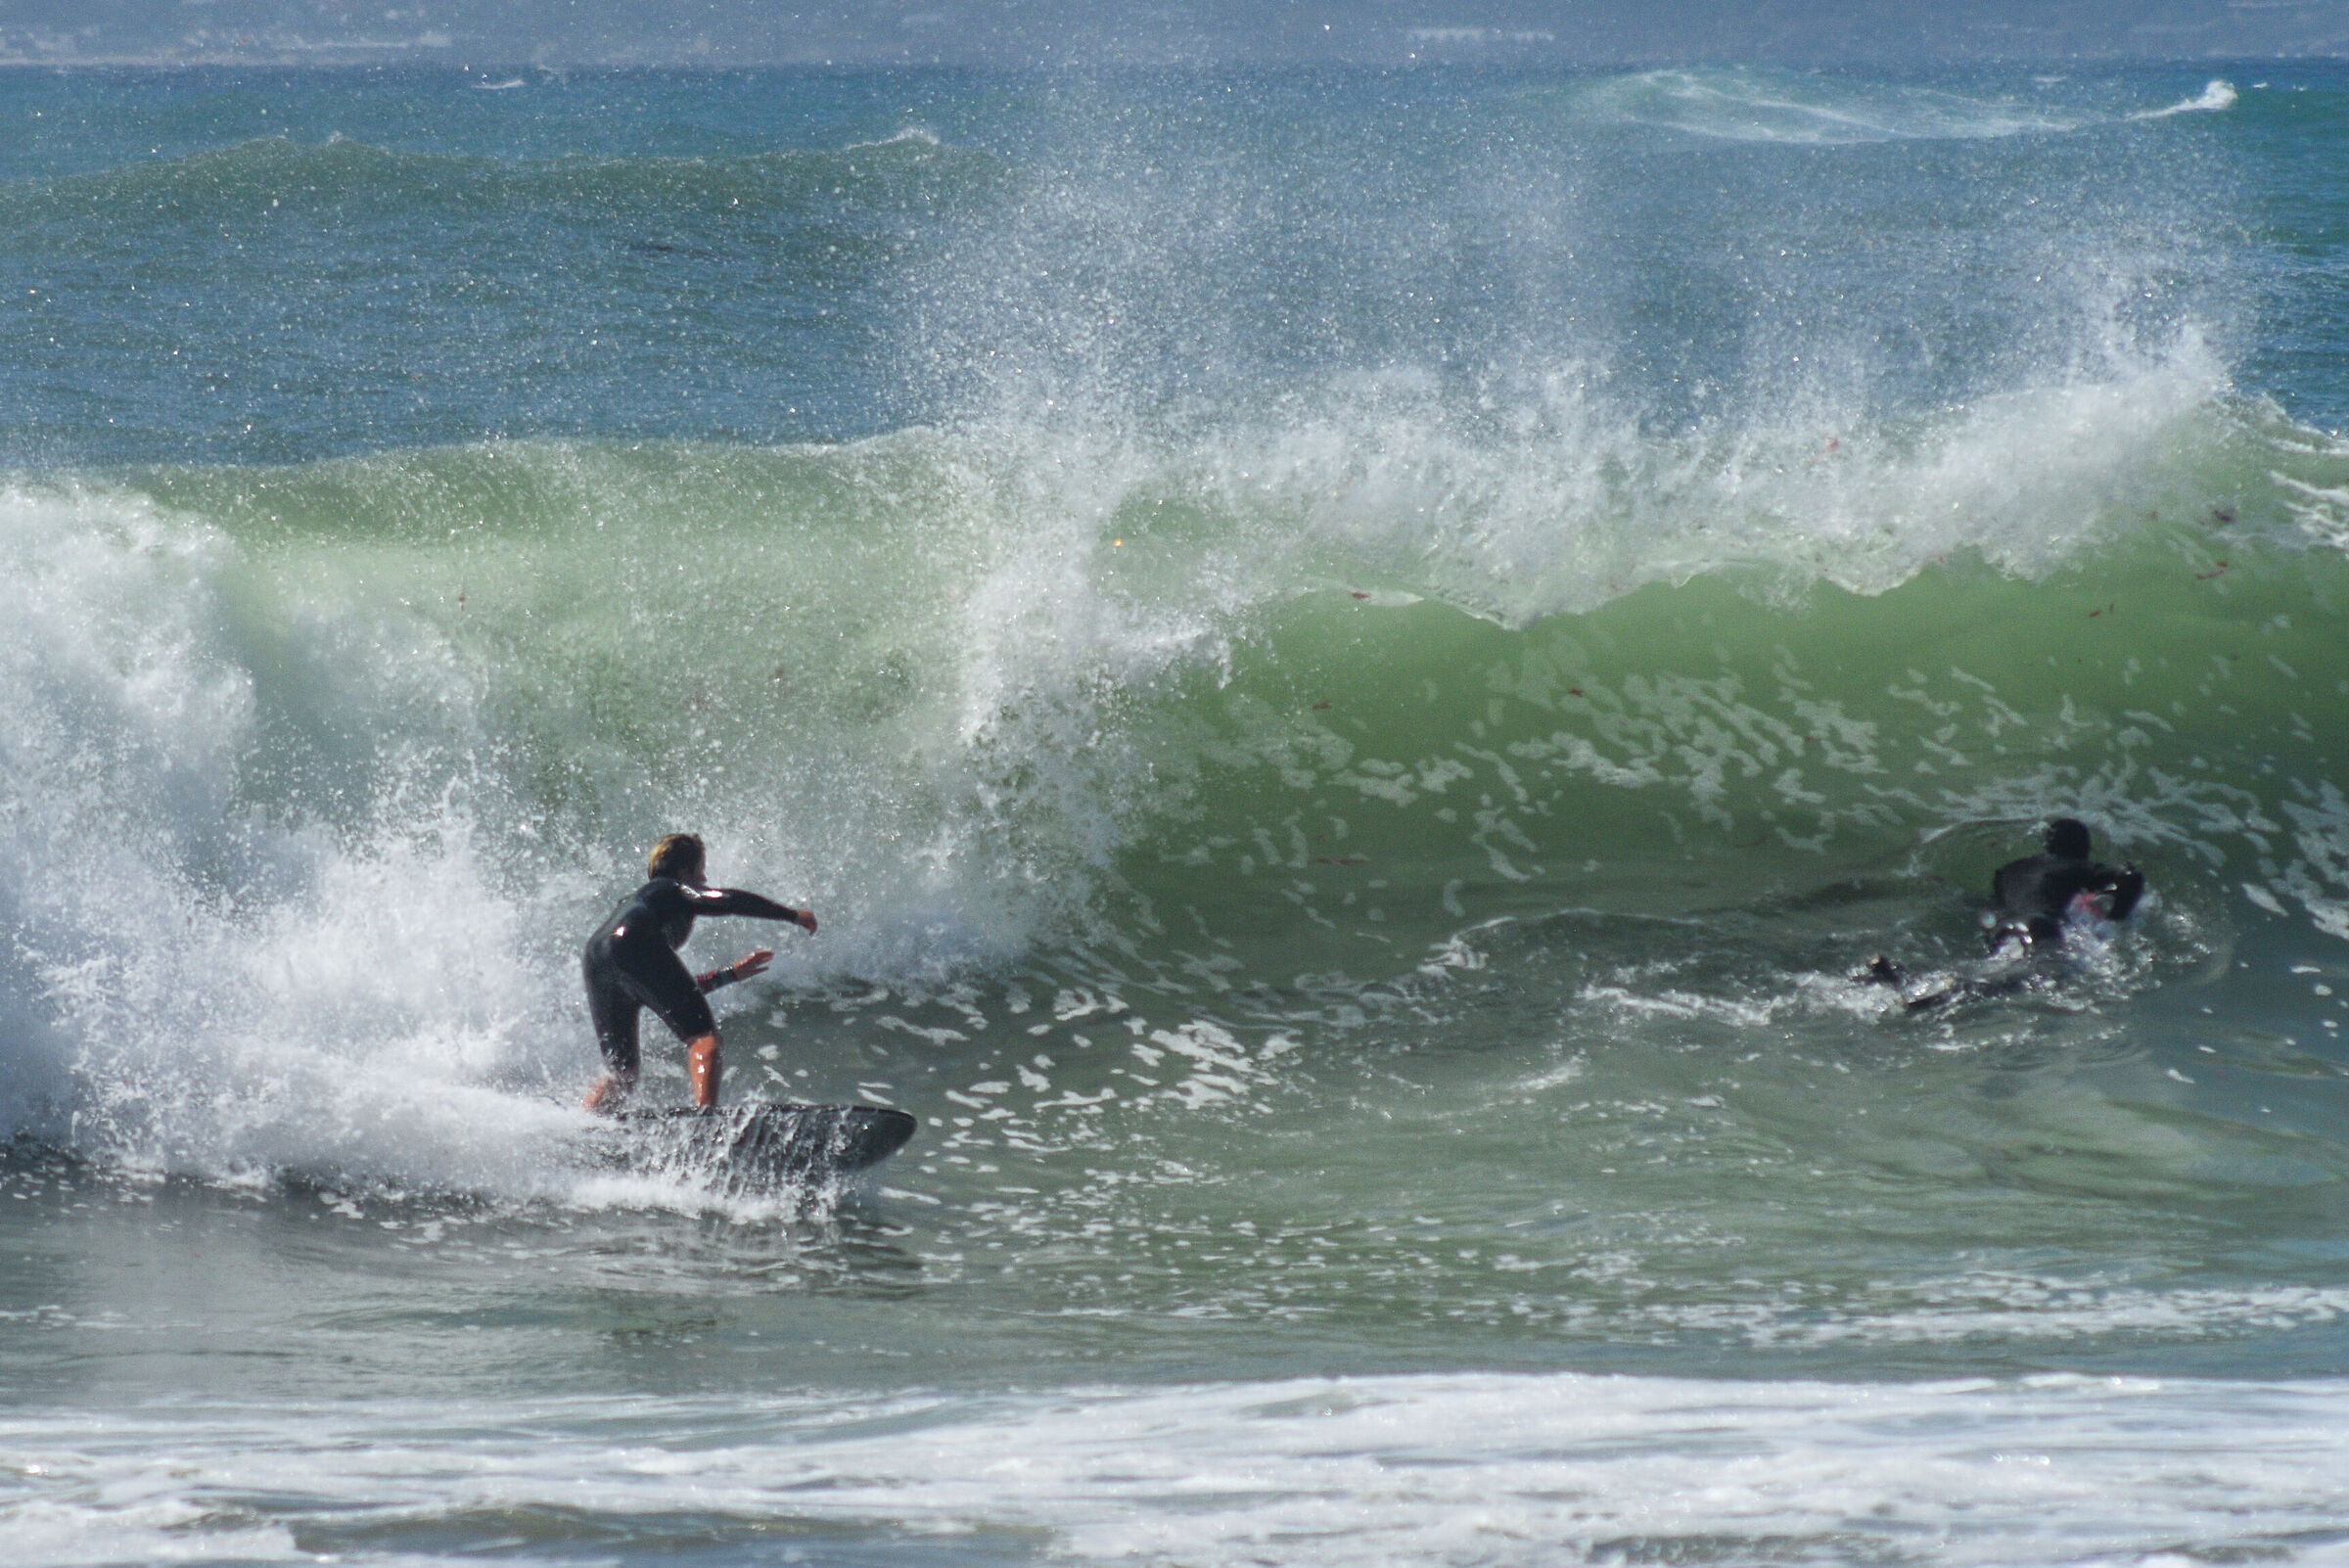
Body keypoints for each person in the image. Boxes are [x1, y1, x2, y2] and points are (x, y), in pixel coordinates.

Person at [581, 833, 817, 1113]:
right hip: (630, 945)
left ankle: (585, 1124)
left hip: (595, 959)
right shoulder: (670, 889)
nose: (704, 881)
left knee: (622, 1072)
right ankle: (704, 1118)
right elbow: (727, 900)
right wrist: (790, 915)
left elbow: (669, 990)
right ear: (684, 872)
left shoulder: (635, 907)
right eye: (701, 872)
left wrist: (730, 974)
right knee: (703, 1038)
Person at [1986, 816, 2142, 953]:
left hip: (2003, 928)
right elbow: (2131, 876)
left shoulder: (2007, 871)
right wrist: (2114, 920)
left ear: (2049, 846)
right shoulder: (2078, 866)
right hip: (2042, 928)